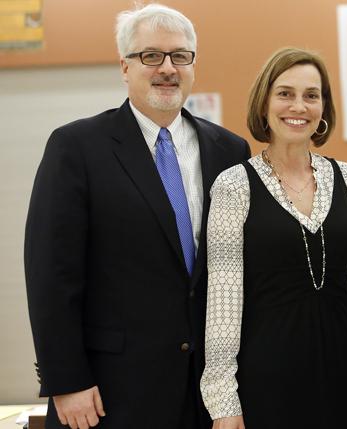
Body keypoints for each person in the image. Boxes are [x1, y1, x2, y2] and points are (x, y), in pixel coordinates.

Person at [24, 4, 250, 429]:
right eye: (151, 56)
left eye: (180, 56)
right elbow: (51, 274)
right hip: (109, 393)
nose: (167, 68)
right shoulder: (76, 147)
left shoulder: (229, 150)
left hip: (206, 394)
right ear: (124, 67)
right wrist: (66, 380)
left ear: (193, 65)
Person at [200, 47, 347, 429]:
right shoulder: (233, 186)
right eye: (285, 93)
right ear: (264, 105)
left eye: (312, 95)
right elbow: (223, 304)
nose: (299, 106)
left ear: (324, 108)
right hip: (268, 381)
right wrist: (223, 399)